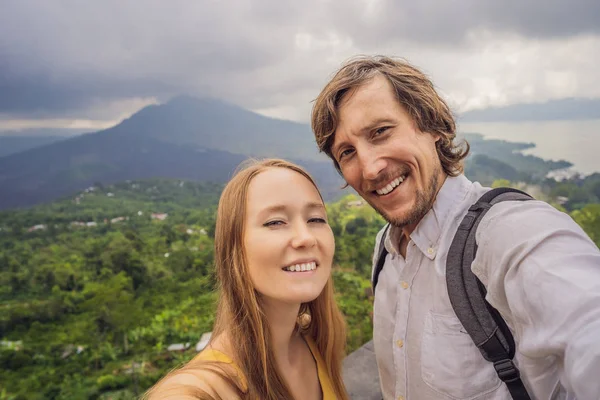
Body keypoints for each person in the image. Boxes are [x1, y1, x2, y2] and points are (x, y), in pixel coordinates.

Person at [311, 56, 600, 400]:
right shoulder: (385, 252)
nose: (370, 168)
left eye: (381, 132)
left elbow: (587, 326)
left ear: (432, 125)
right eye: (347, 152)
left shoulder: (508, 234)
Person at [143, 159, 349, 400]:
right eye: (275, 222)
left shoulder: (316, 340)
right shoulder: (202, 390)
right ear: (234, 248)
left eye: (315, 219)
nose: (305, 238)